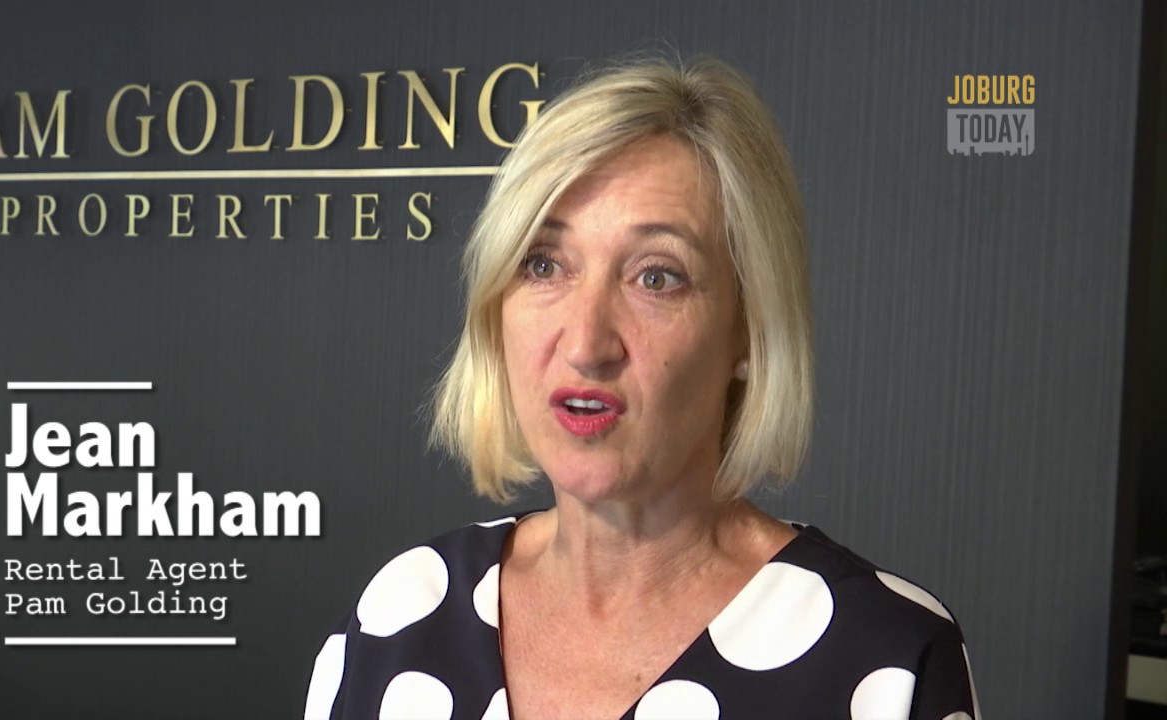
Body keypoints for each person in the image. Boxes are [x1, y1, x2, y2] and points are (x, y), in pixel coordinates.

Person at [303, 56, 980, 720]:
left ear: (749, 328)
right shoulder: (400, 615)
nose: (585, 343)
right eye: (544, 265)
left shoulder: (887, 659)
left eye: (656, 277)